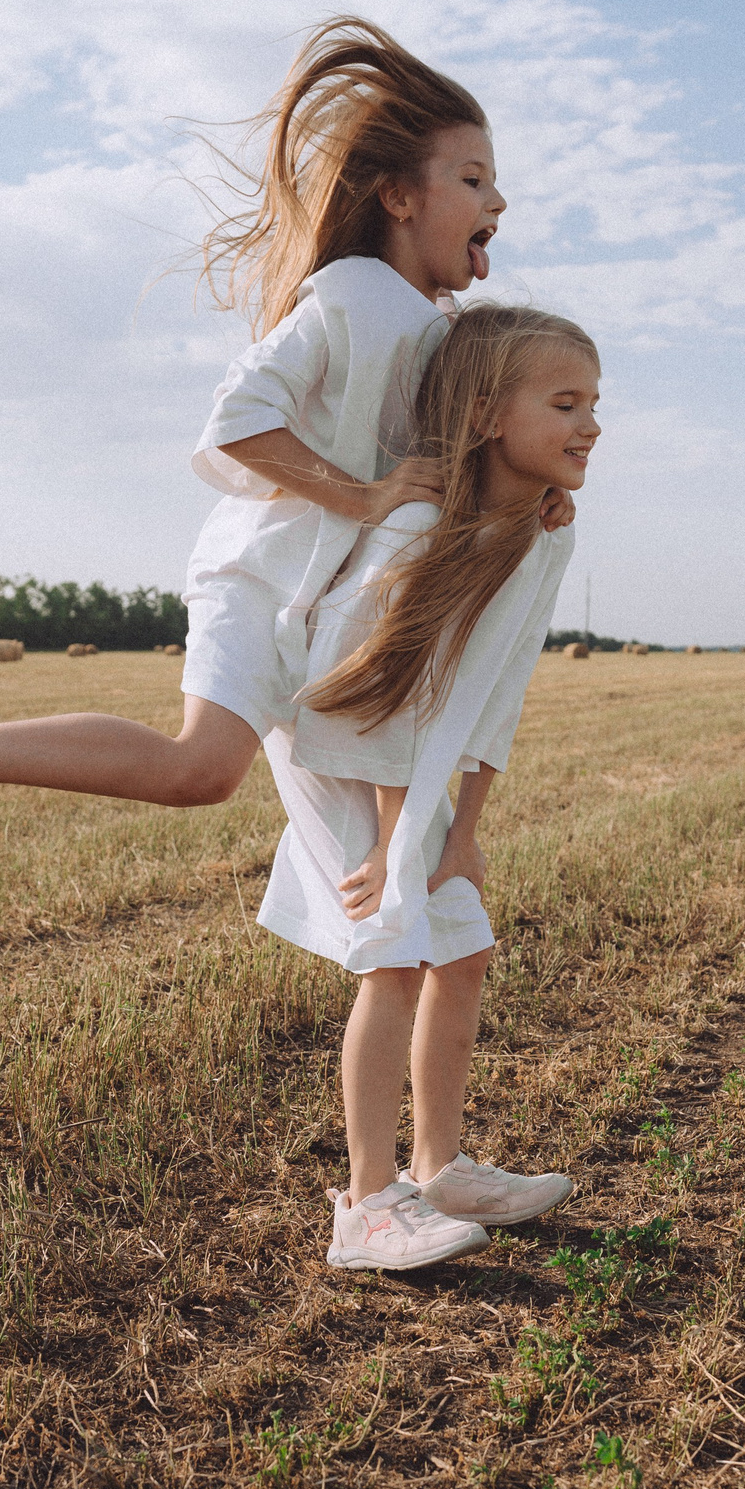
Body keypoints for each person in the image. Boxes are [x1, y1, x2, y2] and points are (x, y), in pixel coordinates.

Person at [0, 16, 568, 851]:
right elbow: (237, 423)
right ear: (400, 197)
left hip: (329, 610)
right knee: (199, 769)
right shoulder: (348, 296)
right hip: (261, 577)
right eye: (473, 178)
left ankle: (407, 951)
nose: (498, 200)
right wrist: (366, 496)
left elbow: (455, 465)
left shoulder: (442, 336)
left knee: (377, 851)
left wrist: (529, 499)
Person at [261, 303, 594, 1270]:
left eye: (595, 404)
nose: (592, 425)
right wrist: (393, 843)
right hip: (335, 735)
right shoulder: (418, 527)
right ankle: (365, 1206)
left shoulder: (539, 533)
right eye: (565, 402)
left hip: (411, 749)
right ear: (490, 412)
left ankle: (441, 1168)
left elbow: (493, 692)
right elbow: (382, 693)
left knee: (463, 945)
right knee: (395, 948)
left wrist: (462, 831)